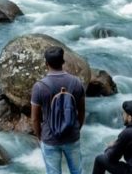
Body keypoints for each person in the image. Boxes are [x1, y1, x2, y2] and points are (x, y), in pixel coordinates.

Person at [31, 46, 86, 174]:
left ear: (46, 64)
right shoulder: (76, 82)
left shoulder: (39, 86)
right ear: (63, 62)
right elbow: (82, 111)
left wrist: (40, 137)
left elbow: (35, 118)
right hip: (72, 136)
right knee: (77, 171)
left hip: (50, 138)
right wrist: (76, 128)